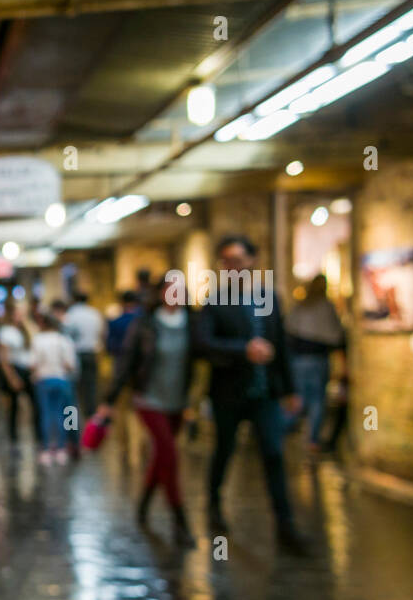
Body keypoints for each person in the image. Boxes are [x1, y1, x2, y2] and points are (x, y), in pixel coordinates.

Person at [196, 235, 305, 553]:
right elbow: (204, 344)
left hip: (265, 393)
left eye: (237, 260)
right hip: (229, 393)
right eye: (226, 262)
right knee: (225, 450)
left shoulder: (268, 298)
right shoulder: (215, 302)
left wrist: (290, 389)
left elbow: (281, 345)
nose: (232, 267)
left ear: (252, 261)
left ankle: (285, 525)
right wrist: (243, 350)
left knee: (273, 453)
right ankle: (214, 505)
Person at [96, 276, 195, 546]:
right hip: (149, 399)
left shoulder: (193, 322)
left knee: (162, 457)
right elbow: (128, 360)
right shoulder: (146, 323)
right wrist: (110, 398)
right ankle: (180, 521)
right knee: (170, 456)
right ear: (161, 292)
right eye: (168, 288)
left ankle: (143, 504)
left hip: (178, 401)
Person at [284, 275, 345, 451]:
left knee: (300, 397)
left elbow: (289, 332)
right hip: (318, 359)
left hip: (300, 359)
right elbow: (336, 336)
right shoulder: (326, 307)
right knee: (317, 399)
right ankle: (312, 440)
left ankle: (287, 429)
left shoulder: (302, 306)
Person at [30, 312, 78, 465]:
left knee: (46, 414)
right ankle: (61, 448)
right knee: (64, 414)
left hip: (44, 380)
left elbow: (33, 363)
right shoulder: (64, 340)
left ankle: (46, 449)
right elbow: (71, 365)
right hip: (62, 380)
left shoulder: (38, 340)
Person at [0, 302, 39, 446]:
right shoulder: (6, 332)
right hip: (15, 369)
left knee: (35, 403)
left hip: (27, 369)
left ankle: (38, 434)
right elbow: (4, 358)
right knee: (13, 406)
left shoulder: (26, 329)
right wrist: (12, 377)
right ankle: (13, 436)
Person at [63, 291, 104, 418]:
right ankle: (91, 418)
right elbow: (102, 333)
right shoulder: (95, 313)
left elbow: (66, 335)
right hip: (92, 353)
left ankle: (74, 420)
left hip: (76, 354)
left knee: (75, 389)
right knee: (91, 387)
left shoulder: (71, 314)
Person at [106, 290, 142, 357]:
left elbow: (110, 345)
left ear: (122, 303)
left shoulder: (115, 323)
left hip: (121, 359)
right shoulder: (143, 321)